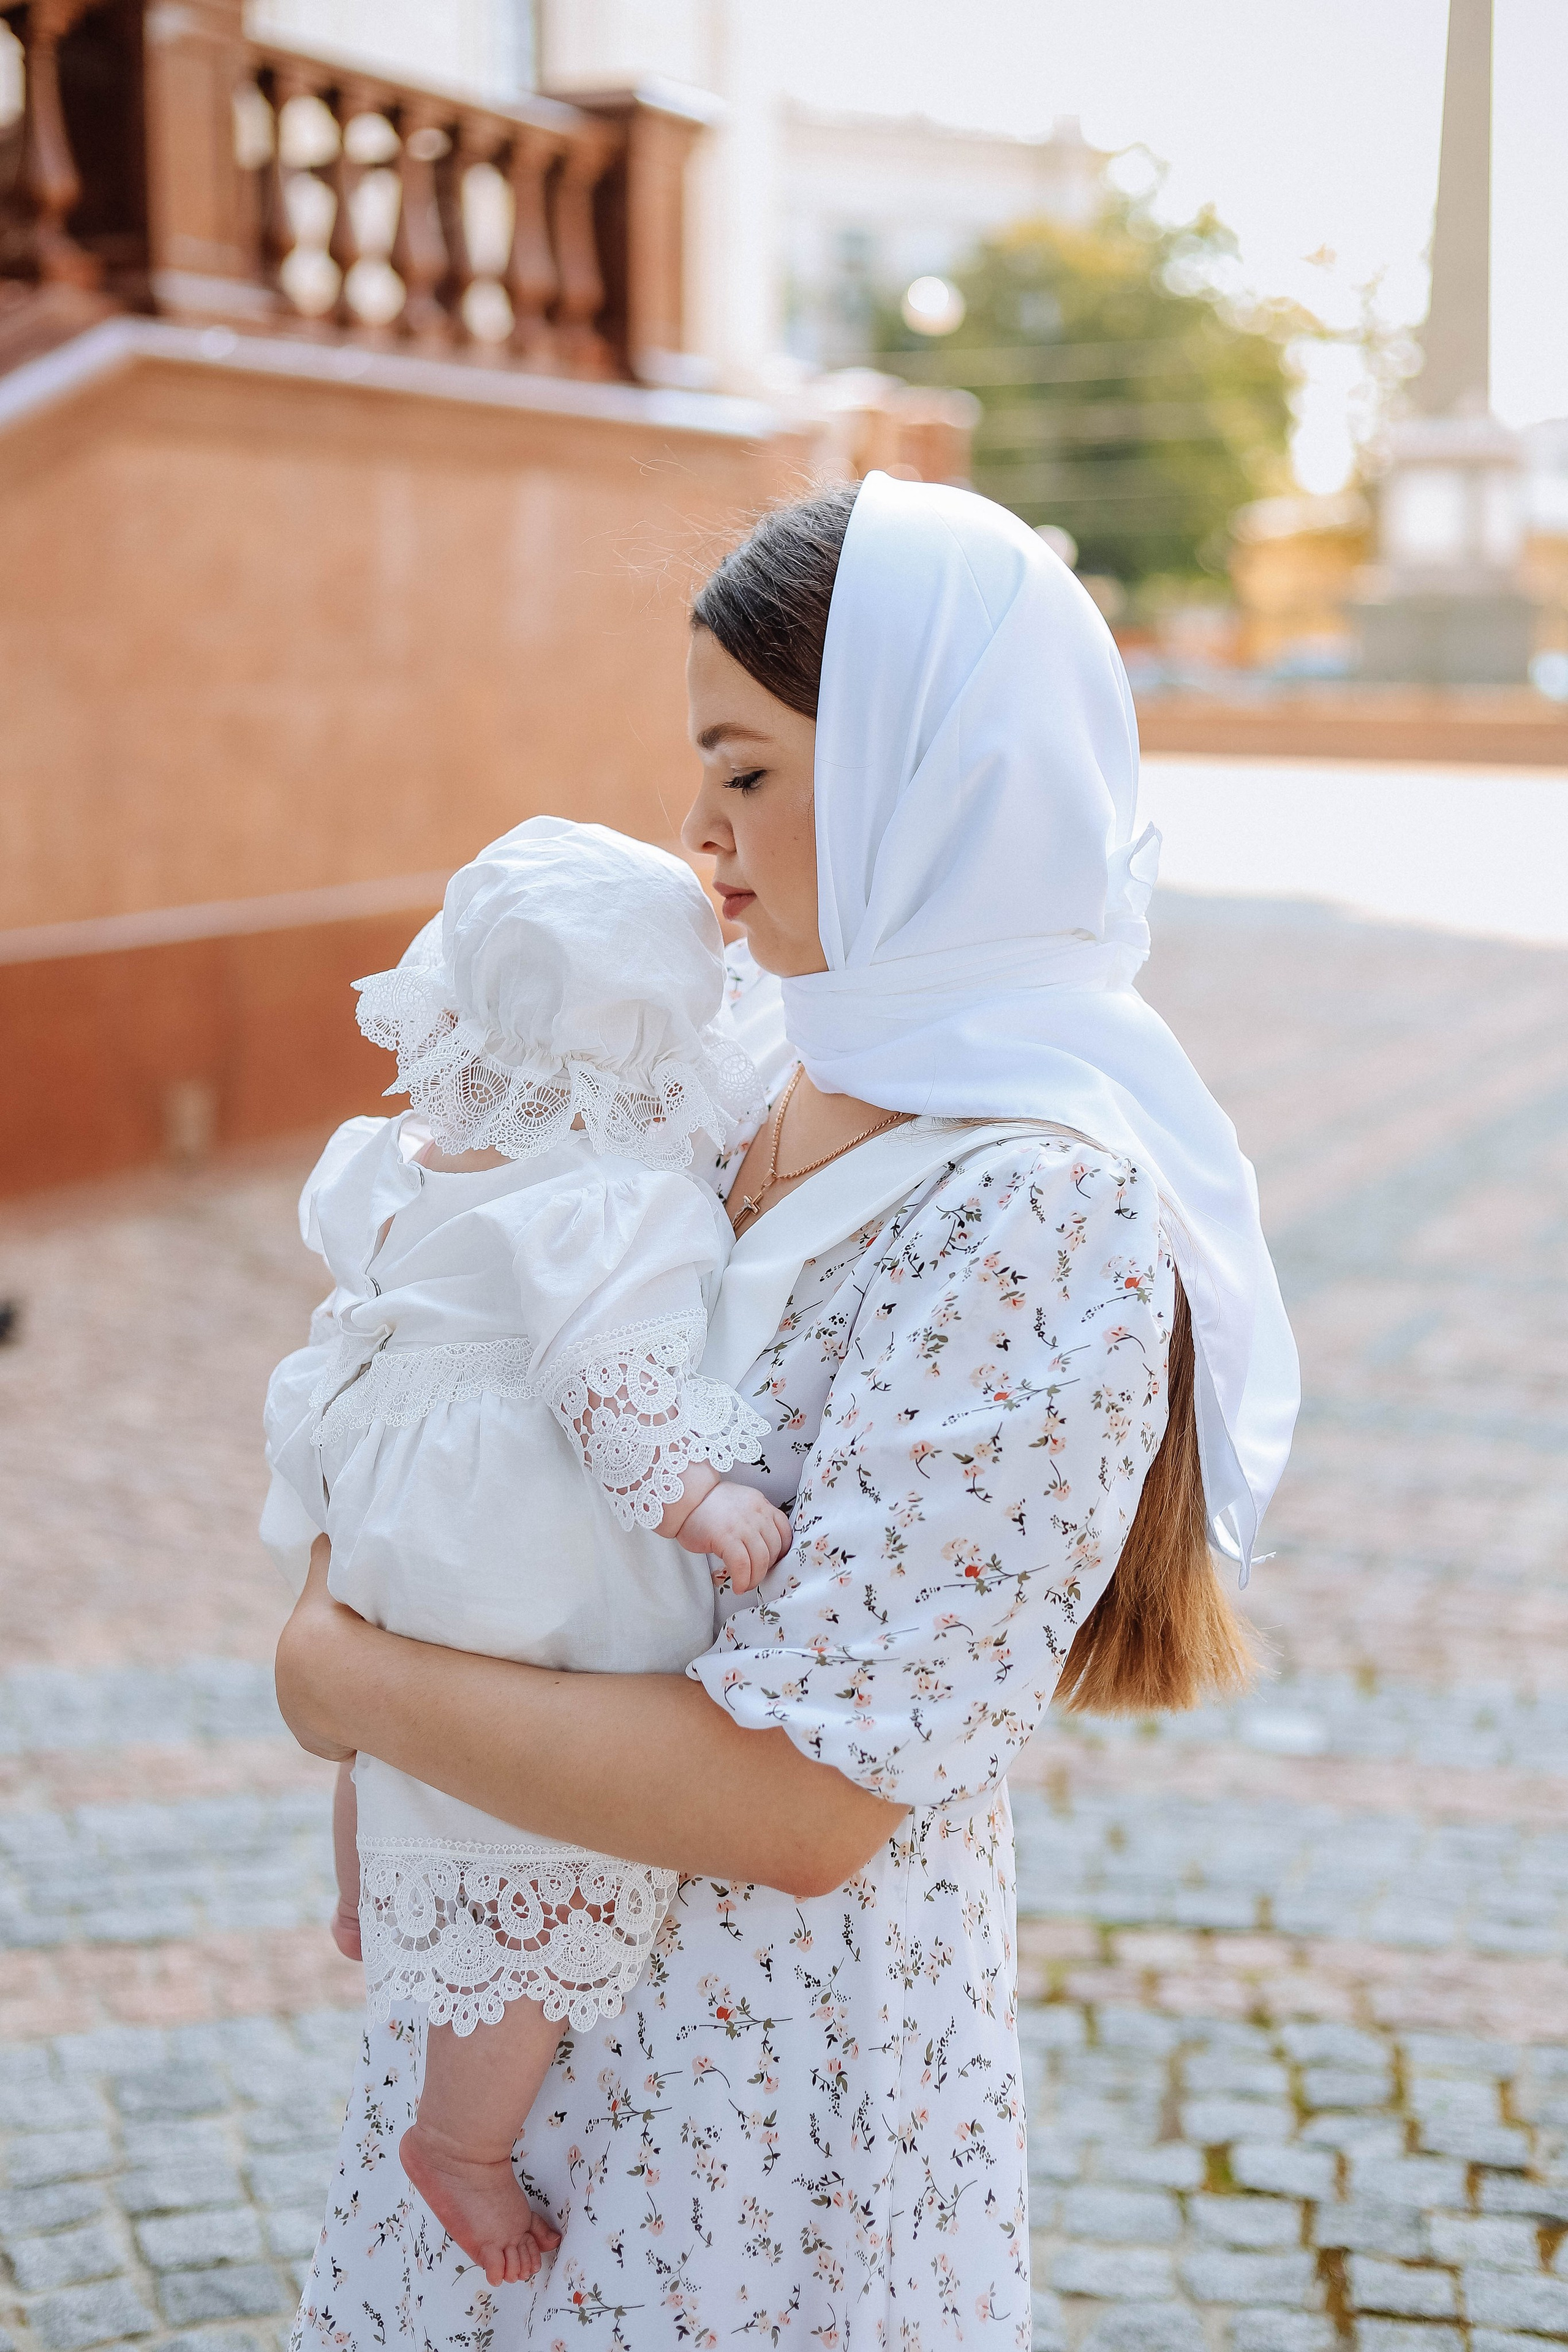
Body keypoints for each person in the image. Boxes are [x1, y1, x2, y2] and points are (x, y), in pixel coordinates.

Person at [276, 472, 1298, 2350]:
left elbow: (807, 1802)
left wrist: (347, 1682)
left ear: (933, 771)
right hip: (524, 2028)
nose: (698, 835)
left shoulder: (1041, 1211)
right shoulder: (744, 1064)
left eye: (746, 770)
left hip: (763, 2117)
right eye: (700, 768)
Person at [261, 817, 792, 2286]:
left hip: (382, 1498)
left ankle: (376, 1886)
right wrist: (698, 1499)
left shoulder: (401, 1147)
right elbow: (604, 1378)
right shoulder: (612, 1197)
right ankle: (464, 2143)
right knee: (537, 1835)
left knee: (405, 1730)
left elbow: (362, 1269)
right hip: (514, 1532)